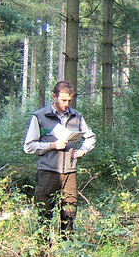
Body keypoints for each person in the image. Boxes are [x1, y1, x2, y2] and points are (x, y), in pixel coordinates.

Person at [24, 81, 96, 234]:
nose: (66, 104)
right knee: (44, 214)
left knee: (69, 213)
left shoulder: (76, 116)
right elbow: (29, 146)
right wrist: (52, 146)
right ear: (54, 96)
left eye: (69, 100)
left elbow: (90, 137)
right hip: (47, 172)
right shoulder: (40, 116)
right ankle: (43, 252)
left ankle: (67, 251)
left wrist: (83, 150)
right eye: (63, 100)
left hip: (70, 173)